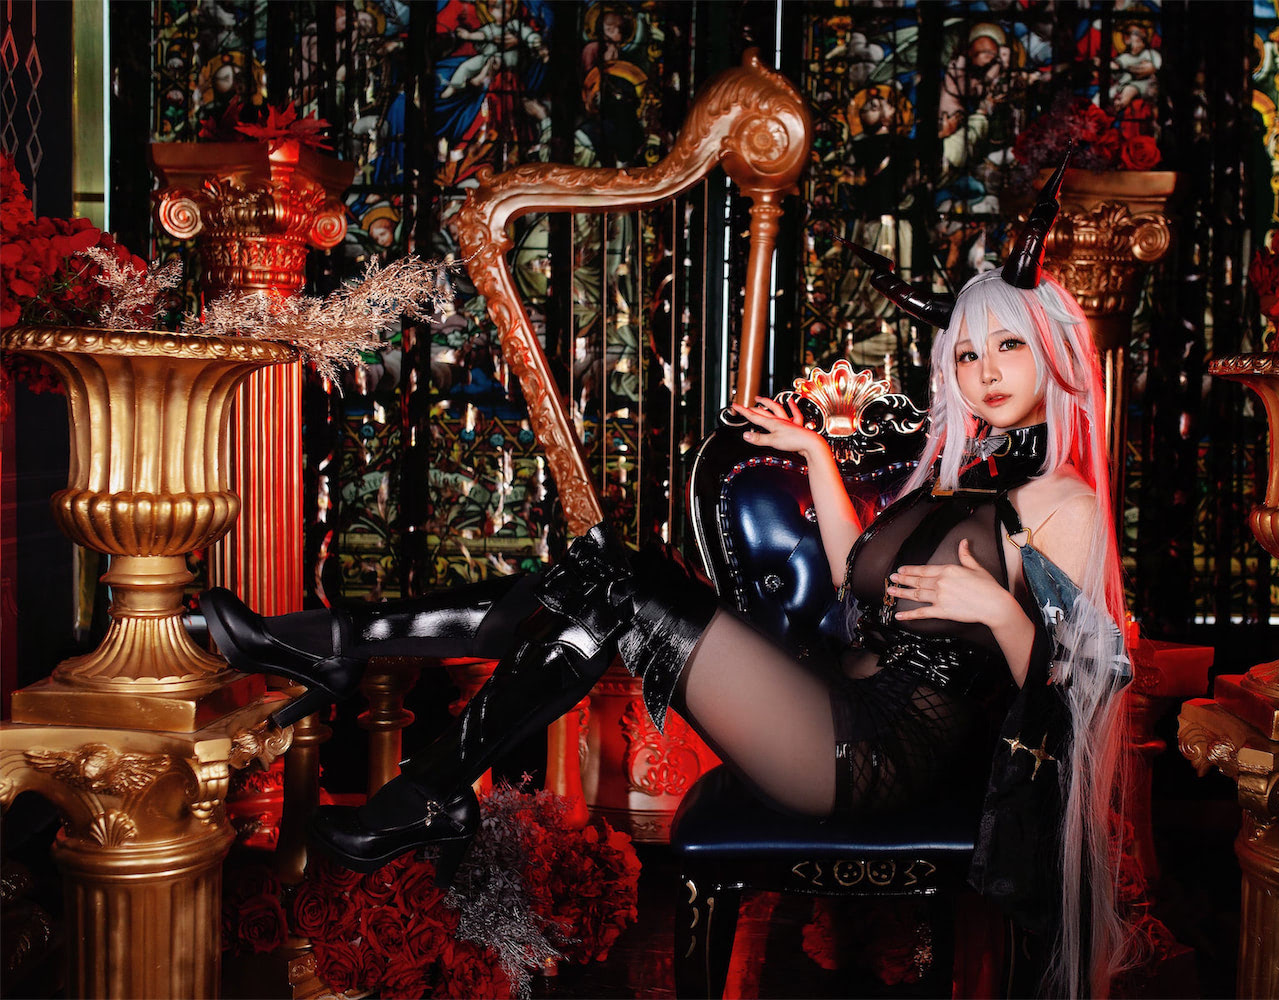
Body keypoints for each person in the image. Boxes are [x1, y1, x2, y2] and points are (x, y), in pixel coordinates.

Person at [202, 156, 1132, 997]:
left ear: (1051, 350)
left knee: (615, 580)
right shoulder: (961, 483)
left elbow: (1086, 690)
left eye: (1007, 346)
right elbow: (856, 574)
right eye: (967, 353)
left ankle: (352, 672)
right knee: (603, 580)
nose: (985, 371)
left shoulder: (1067, 503)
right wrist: (816, 454)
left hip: (873, 755)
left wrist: (998, 612)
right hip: (834, 705)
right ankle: (386, 719)